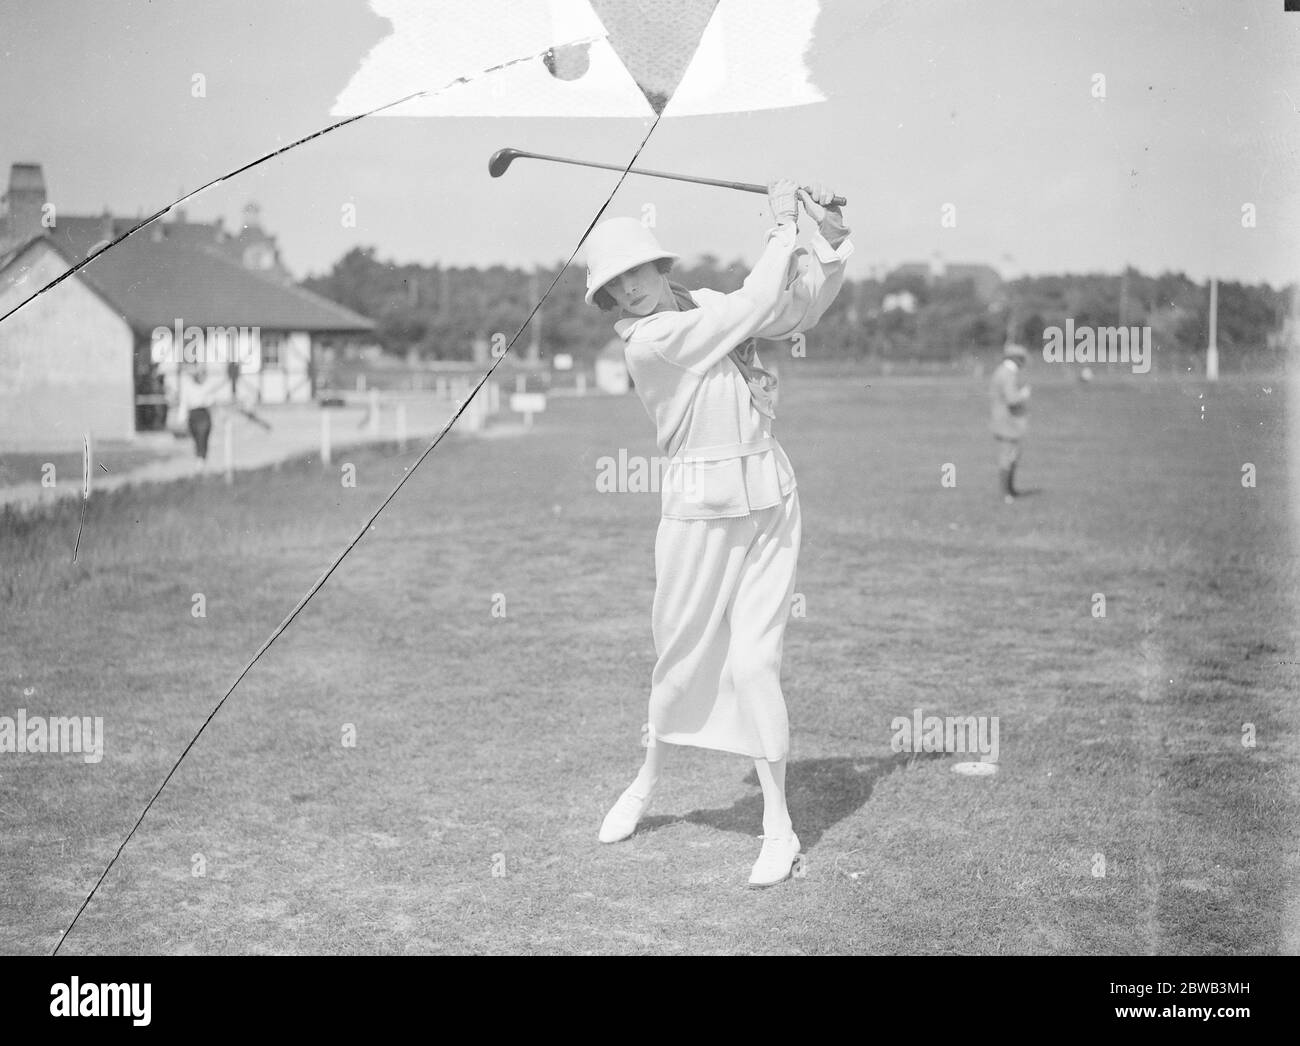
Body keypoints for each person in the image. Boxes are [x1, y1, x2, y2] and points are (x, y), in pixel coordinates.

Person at [585, 179, 852, 887]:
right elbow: (759, 301)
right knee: (678, 663)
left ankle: (779, 827)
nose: (628, 294)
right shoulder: (652, 342)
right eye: (612, 289)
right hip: (698, 514)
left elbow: (796, 306)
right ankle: (645, 783)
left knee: (753, 664)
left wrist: (821, 235)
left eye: (635, 274)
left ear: (660, 267)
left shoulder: (706, 307)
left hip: (769, 496)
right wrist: (777, 223)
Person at [989, 343, 1030, 501]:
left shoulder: (1002, 371)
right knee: (1008, 457)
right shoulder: (1008, 374)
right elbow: (1012, 399)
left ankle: (1010, 490)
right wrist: (1023, 394)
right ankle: (1006, 493)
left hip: (1003, 420)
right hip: (1007, 422)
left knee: (1011, 455)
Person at [178, 366, 217, 466]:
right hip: (193, 414)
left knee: (202, 435)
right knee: (196, 436)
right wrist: (181, 419)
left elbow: (211, 401)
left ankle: (201, 458)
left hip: (203, 413)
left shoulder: (207, 385)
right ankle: (200, 456)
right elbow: (184, 403)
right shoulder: (188, 386)